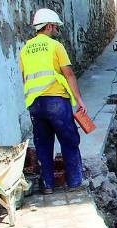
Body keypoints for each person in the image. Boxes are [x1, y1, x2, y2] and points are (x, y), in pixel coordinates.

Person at [19, 8, 87, 194]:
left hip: (35, 104)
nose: (57, 30)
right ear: (49, 26)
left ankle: (47, 185)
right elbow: (69, 74)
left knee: (43, 145)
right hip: (56, 101)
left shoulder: (25, 49)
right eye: (56, 27)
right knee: (69, 140)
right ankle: (74, 182)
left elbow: (25, 78)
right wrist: (79, 100)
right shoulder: (55, 46)